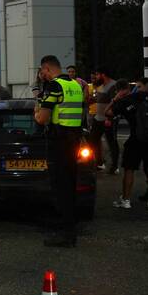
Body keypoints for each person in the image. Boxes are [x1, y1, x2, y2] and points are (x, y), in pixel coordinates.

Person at [33, 55, 85, 248]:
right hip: (73, 140)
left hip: (59, 142)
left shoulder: (54, 86)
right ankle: (69, 225)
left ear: (46, 68)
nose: (42, 75)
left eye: (42, 72)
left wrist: (37, 109)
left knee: (60, 187)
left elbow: (42, 118)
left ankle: (66, 234)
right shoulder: (75, 85)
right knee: (70, 185)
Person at [106, 78, 148, 211]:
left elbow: (107, 112)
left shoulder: (123, 101)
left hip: (135, 139)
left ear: (119, 91)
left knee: (129, 170)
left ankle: (126, 200)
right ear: (130, 87)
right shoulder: (147, 95)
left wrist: (115, 99)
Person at [90, 68, 119, 174]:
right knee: (92, 141)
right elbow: (97, 99)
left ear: (103, 75)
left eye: (97, 75)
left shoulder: (113, 85)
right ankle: (99, 162)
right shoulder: (100, 86)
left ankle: (114, 166)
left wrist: (109, 118)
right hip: (98, 118)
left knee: (112, 142)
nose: (95, 77)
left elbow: (114, 103)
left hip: (107, 119)